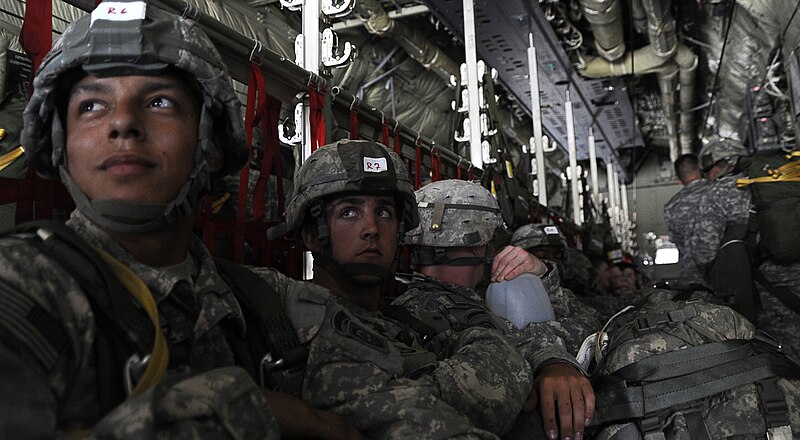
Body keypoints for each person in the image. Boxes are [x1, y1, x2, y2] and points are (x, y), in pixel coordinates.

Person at [0, 4, 360, 438]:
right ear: (61, 146)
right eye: (93, 105)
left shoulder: (266, 303)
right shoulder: (21, 285)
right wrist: (235, 412)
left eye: (159, 102)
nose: (123, 124)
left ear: (209, 145)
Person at [253, 139, 532, 438]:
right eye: (349, 212)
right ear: (311, 235)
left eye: (384, 212)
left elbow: (502, 348)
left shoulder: (402, 320)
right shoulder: (280, 304)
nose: (372, 227)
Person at [392, 181, 597, 440]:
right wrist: (550, 357)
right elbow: (585, 325)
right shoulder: (442, 311)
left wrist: (542, 274)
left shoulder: (431, 300)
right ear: (481, 246)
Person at [510, 223, 604, 348]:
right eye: (541, 256)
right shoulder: (505, 294)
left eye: (557, 255)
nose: (552, 261)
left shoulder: (564, 296)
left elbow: (591, 328)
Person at [663, 153, 709, 277]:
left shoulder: (671, 207)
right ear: (700, 168)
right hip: (728, 263)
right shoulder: (718, 190)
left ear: (679, 179)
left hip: (694, 272)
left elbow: (677, 240)